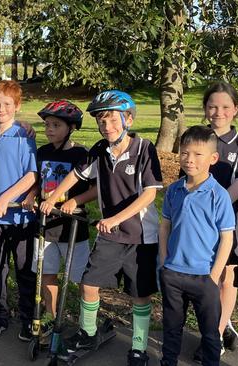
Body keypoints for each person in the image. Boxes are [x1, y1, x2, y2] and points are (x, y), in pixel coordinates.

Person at [41, 90, 163, 366]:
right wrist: (55, 197)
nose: (106, 127)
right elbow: (76, 174)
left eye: (111, 120)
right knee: (89, 284)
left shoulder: (144, 148)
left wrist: (116, 218)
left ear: (128, 119)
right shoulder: (99, 150)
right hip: (109, 235)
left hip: (141, 236)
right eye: (101, 121)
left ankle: (139, 347)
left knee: (139, 295)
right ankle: (88, 332)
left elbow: (149, 194)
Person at [159, 125, 235, 366]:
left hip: (204, 277)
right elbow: (164, 226)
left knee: (210, 333)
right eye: (184, 152)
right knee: (171, 328)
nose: (189, 159)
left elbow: (227, 238)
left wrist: (214, 275)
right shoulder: (173, 190)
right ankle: (168, 361)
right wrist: (163, 260)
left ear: (213, 158)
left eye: (197, 154)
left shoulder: (218, 195)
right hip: (173, 273)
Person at [192, 81, 238, 362]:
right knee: (205, 274)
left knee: (226, 274)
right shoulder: (196, 136)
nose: (218, 112)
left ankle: (216, 334)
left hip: (227, 216)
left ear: (235, 110)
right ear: (205, 109)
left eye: (225, 107)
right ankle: (219, 321)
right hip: (197, 217)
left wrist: (214, 207)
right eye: (212, 106)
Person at [0, 80, 38, 340]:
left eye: (7, 104)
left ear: (17, 106)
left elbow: (32, 175)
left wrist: (6, 197)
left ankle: (27, 318)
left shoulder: (24, 137)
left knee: (24, 270)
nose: (0, 109)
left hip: (20, 216)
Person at [22, 100, 91, 325]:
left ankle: (86, 321)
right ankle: (52, 318)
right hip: (45, 225)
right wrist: (32, 195)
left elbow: (94, 189)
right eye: (47, 125)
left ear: (71, 128)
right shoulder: (42, 152)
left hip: (73, 227)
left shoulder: (82, 155)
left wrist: (74, 200)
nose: (49, 129)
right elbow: (39, 180)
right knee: (47, 273)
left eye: (56, 125)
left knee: (81, 277)